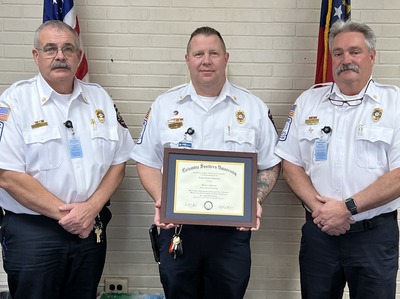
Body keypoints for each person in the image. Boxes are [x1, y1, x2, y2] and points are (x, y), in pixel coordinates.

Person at [131, 26, 281, 299]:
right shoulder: (164, 106)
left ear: (226, 58)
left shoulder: (252, 108)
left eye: (213, 53)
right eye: (198, 53)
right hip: (178, 231)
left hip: (231, 234)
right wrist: (163, 198)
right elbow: (146, 161)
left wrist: (254, 199)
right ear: (187, 60)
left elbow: (271, 163)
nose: (206, 60)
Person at [0, 20, 134, 299]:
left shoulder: (100, 99)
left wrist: (91, 208)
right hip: (34, 233)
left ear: (79, 56)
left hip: (89, 228)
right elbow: (8, 175)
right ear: (36, 56)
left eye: (67, 49)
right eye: (50, 49)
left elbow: (119, 161)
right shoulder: (14, 102)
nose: (60, 56)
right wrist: (72, 216)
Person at [275, 19, 400, 299]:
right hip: (320, 235)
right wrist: (320, 211)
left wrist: (347, 208)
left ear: (371, 56)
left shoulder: (395, 104)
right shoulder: (308, 101)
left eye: (354, 51)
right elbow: (290, 164)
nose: (346, 60)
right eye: (338, 53)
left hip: (374, 237)